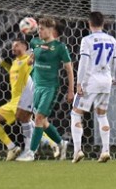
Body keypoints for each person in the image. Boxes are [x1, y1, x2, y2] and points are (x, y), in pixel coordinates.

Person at [16, 17, 74, 162]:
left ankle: (31, 153)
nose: (39, 31)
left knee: (39, 118)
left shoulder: (60, 47)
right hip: (37, 86)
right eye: (38, 29)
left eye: (42, 29)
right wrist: (30, 59)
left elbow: (69, 69)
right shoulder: (35, 42)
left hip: (50, 87)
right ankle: (61, 143)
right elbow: (32, 58)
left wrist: (71, 90)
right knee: (43, 121)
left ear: (51, 30)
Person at [71, 11, 116, 163]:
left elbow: (83, 63)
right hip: (106, 81)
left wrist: (79, 83)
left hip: (90, 81)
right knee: (102, 115)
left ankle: (77, 151)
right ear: (103, 23)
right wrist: (115, 78)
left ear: (89, 23)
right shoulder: (112, 40)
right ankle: (105, 151)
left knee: (76, 113)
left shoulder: (87, 40)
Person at [0, 36, 35, 161]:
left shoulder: (28, 60)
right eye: (12, 46)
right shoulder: (15, 63)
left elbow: (33, 59)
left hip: (23, 101)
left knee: (32, 124)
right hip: (13, 103)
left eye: (16, 45)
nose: (13, 48)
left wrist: (34, 50)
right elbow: (5, 65)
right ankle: (12, 147)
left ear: (24, 46)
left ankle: (54, 143)